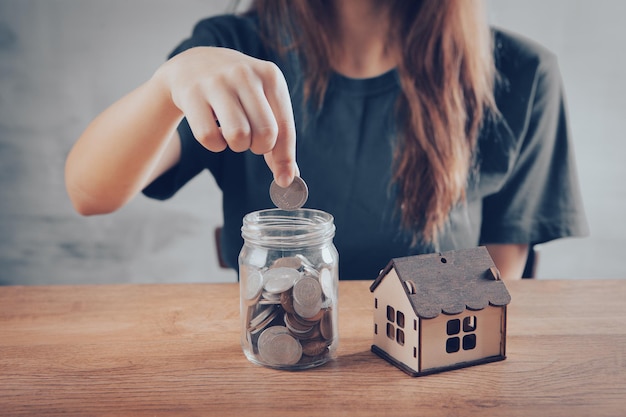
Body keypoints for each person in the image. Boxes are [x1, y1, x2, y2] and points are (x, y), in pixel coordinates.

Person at [65, 0, 588, 280]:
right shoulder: (229, 51)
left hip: (431, 374)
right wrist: (167, 85)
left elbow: (500, 271)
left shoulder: (522, 73)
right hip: (278, 359)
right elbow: (90, 194)